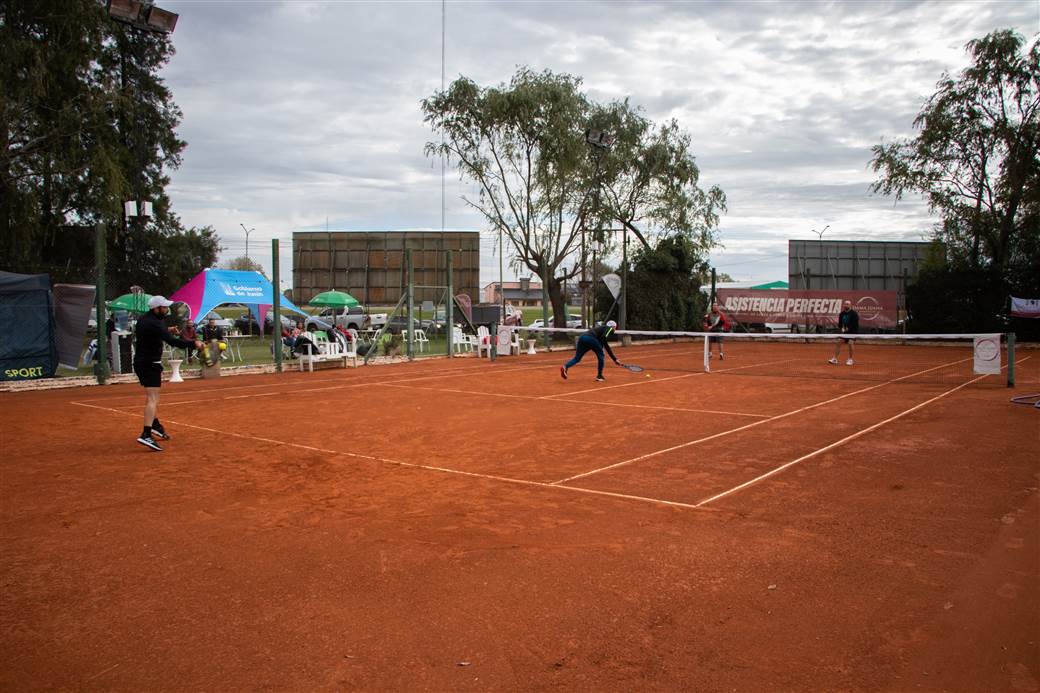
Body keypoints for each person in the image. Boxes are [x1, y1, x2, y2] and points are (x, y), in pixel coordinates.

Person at [133, 296, 204, 452]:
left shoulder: (144, 320)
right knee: (153, 399)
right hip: (150, 363)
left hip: (140, 362)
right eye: (164, 307)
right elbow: (174, 342)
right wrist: (194, 343)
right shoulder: (156, 323)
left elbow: (155, 333)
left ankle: (155, 425)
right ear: (156, 308)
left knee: (153, 397)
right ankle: (146, 433)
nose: (167, 310)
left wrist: (167, 330)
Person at [829, 299, 859, 366]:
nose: (846, 305)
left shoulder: (854, 314)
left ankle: (850, 359)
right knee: (838, 342)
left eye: (847, 304)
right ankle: (835, 359)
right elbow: (840, 324)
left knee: (850, 343)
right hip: (845, 332)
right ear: (843, 305)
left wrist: (847, 329)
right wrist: (842, 328)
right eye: (845, 304)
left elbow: (854, 324)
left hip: (853, 332)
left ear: (850, 305)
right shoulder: (842, 314)